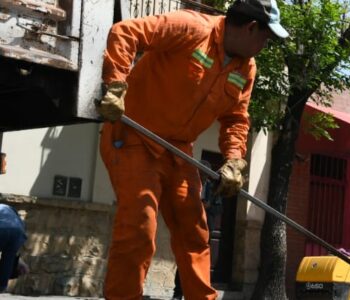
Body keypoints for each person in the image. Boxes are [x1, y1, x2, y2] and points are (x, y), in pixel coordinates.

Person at [95, 0, 288, 298]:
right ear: (251, 28)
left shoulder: (246, 69)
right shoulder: (192, 27)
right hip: (133, 136)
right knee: (139, 227)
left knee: (194, 234)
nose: (265, 44)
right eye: (266, 37)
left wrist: (234, 160)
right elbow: (125, 32)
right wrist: (116, 86)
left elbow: (236, 118)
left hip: (178, 151)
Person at [172, 161, 223, 300]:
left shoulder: (213, 189)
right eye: (202, 172)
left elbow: (219, 209)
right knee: (185, 259)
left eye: (206, 173)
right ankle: (178, 292)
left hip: (205, 229)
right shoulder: (190, 184)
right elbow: (180, 201)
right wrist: (197, 205)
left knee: (200, 263)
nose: (204, 175)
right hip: (189, 226)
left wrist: (209, 206)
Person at [0, 204, 26, 292]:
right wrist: (19, 261)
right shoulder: (8, 208)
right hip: (18, 232)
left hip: (2, 229)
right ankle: (2, 286)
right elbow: (20, 225)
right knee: (8, 259)